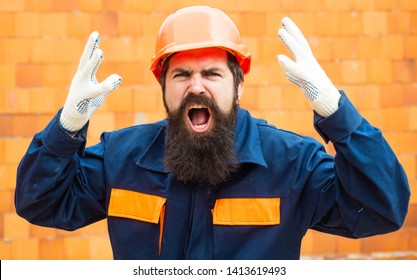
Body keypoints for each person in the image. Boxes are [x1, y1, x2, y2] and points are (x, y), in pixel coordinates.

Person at [15, 6, 410, 260]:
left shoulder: (292, 165)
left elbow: (382, 209)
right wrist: (67, 127)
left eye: (212, 74)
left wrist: (336, 112)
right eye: (182, 74)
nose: (196, 86)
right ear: (164, 87)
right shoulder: (123, 158)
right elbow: (42, 203)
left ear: (238, 86)